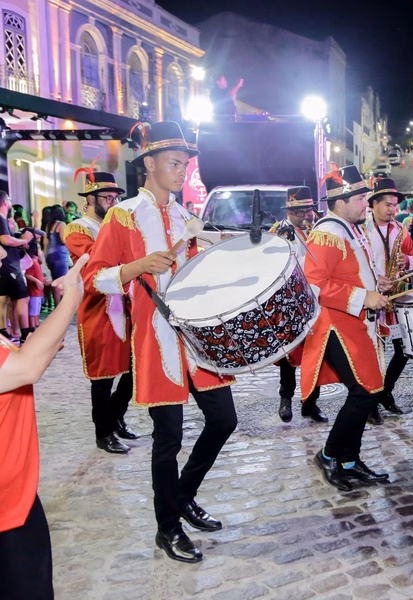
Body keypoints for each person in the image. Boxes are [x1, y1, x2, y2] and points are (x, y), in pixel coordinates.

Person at [85, 122, 237, 563]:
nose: (182, 171)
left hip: (196, 335)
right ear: (148, 164)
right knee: (167, 438)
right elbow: (95, 277)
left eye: (185, 165)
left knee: (223, 420)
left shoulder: (187, 218)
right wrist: (138, 266)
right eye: (174, 163)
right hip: (156, 337)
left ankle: (183, 495)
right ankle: (167, 528)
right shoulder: (123, 215)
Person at [0, 252, 89, 600]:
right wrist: (71, 300)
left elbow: (21, 365)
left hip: (16, 499)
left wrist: (42, 346)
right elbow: (26, 368)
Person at [301, 164, 392, 492]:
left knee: (370, 391)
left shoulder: (349, 228)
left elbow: (348, 272)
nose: (366, 204)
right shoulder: (328, 232)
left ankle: (350, 460)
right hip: (335, 325)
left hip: (354, 322)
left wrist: (377, 283)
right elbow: (315, 284)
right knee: (365, 391)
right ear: (340, 202)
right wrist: (365, 296)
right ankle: (328, 455)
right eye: (360, 199)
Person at [65, 168, 137, 454]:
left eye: (115, 198)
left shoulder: (116, 226)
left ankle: (116, 415)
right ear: (90, 198)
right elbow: (98, 259)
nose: (112, 202)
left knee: (134, 369)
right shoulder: (78, 228)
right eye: (107, 197)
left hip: (125, 305)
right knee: (102, 376)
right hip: (97, 308)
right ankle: (103, 433)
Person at [269, 187, 328, 425]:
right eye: (300, 211)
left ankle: (310, 404)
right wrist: (281, 242)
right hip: (288, 301)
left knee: (316, 353)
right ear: (289, 211)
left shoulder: (318, 230)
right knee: (288, 355)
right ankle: (285, 400)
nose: (306, 215)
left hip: (314, 299)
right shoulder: (277, 231)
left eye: (308, 210)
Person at [362, 178, 413, 424]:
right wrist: (376, 281)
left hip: (395, 301)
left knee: (403, 350)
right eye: (387, 204)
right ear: (373, 204)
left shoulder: (400, 229)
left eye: (395, 205)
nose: (393, 210)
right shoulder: (362, 229)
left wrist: (408, 261)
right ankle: (370, 402)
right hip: (372, 300)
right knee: (375, 354)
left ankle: (385, 391)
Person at [0, 192, 34, 341]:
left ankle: (4, 332)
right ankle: (25, 332)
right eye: (9, 200)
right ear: (5, 202)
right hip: (9, 266)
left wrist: (19, 241)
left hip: (5, 265)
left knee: (4, 300)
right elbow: (6, 240)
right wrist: (24, 240)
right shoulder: (1, 219)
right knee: (22, 298)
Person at [44, 205, 69, 306]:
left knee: (55, 281)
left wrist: (45, 257)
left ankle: (56, 305)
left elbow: (45, 243)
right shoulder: (61, 224)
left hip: (50, 255)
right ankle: (61, 307)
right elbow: (64, 240)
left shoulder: (48, 226)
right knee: (61, 281)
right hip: (60, 255)